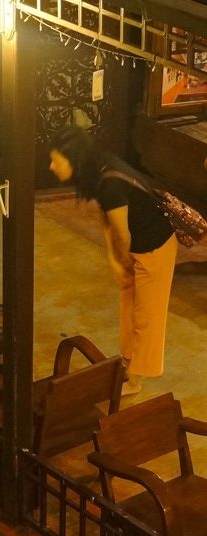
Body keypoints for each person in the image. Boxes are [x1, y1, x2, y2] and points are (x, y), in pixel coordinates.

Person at [48, 126, 177, 395]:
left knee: (147, 317)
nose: (51, 167)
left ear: (73, 160)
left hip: (155, 247)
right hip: (137, 246)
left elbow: (122, 234)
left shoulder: (109, 184)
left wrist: (123, 260)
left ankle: (135, 380)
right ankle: (128, 366)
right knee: (128, 309)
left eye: (56, 161)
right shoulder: (99, 171)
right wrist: (114, 260)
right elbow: (106, 220)